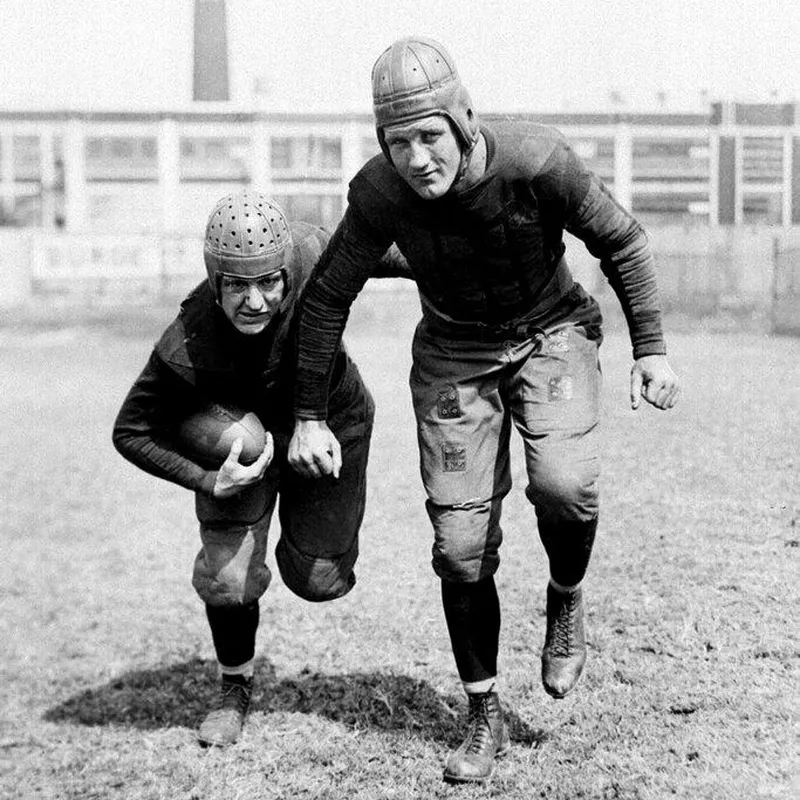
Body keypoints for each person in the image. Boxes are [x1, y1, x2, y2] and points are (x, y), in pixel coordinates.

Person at [288, 36, 680, 783]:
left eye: (429, 135)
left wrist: (651, 349)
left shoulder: (537, 161)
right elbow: (327, 298)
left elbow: (622, 241)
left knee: (565, 487)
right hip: (454, 351)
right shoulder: (377, 193)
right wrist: (308, 415)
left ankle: (565, 595)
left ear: (465, 119)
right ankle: (482, 709)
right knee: (460, 545)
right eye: (397, 141)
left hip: (551, 331)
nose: (416, 158)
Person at [113, 190, 407, 747]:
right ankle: (234, 686)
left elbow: (385, 250)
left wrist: (451, 268)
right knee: (227, 579)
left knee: (320, 580)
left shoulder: (310, 252)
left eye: (268, 282)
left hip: (329, 421)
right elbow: (129, 430)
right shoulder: (187, 340)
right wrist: (208, 480)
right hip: (244, 449)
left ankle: (312, 542)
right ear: (214, 279)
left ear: (287, 272)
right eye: (237, 285)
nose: (255, 301)